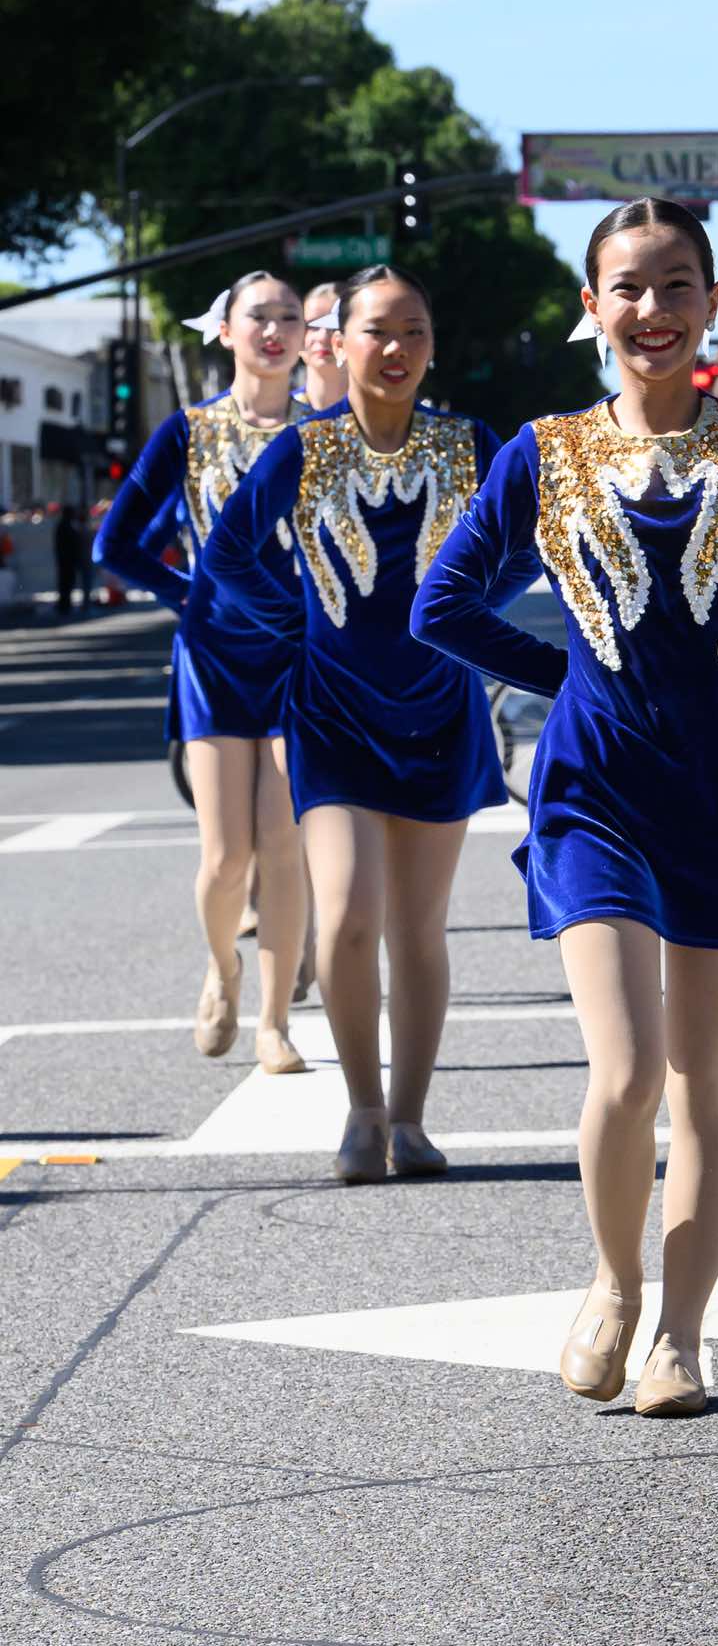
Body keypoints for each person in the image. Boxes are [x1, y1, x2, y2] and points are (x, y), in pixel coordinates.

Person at [410, 197, 718, 1418]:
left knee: (705, 1080)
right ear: (592, 308)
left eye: (677, 284)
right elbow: (444, 604)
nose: (653, 308)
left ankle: (682, 1337)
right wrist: (570, 675)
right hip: (593, 789)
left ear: (712, 303)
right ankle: (614, 1279)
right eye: (628, 288)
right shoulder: (543, 451)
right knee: (628, 1069)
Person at [201, 264, 506, 1184]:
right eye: (377, 330)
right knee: (344, 916)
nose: (396, 348)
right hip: (331, 712)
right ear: (338, 343)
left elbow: (534, 541)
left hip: (440, 711)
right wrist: (296, 622)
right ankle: (363, 1110)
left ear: (433, 346)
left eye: (414, 331)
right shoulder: (305, 447)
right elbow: (228, 553)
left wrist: (472, 612)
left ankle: (410, 1118)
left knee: (419, 928)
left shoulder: (470, 443)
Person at [95, 271, 310, 1076]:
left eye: (289, 317)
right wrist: (189, 594)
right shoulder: (187, 431)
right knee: (226, 857)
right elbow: (115, 544)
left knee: (284, 847)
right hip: (214, 657)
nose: (275, 330)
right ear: (225, 331)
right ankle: (223, 968)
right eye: (259, 316)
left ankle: (275, 1022)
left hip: (298, 658)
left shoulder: (324, 432)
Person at [300, 281, 349, 411]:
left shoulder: (383, 413)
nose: (323, 337)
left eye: (336, 326)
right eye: (313, 326)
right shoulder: (277, 413)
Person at [53, 504, 85, 611]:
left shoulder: (65, 526)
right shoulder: (64, 526)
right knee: (66, 584)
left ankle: (65, 605)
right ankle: (64, 606)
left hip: (67, 561)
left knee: (67, 584)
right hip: (67, 562)